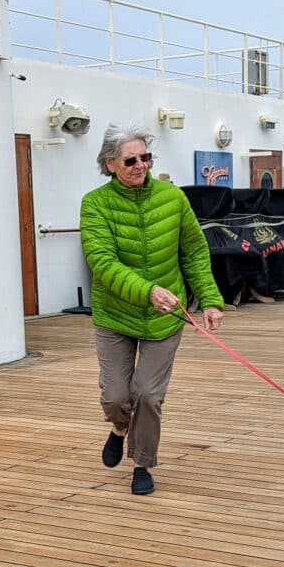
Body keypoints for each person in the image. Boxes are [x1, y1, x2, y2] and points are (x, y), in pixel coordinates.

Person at [80, 122, 225, 495]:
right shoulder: (94, 204)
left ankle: (142, 463)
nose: (140, 165)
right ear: (110, 163)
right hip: (115, 315)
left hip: (166, 316)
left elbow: (193, 251)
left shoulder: (173, 198)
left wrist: (209, 299)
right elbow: (103, 263)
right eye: (131, 159)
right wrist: (148, 292)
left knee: (147, 394)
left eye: (145, 157)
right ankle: (118, 427)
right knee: (115, 396)